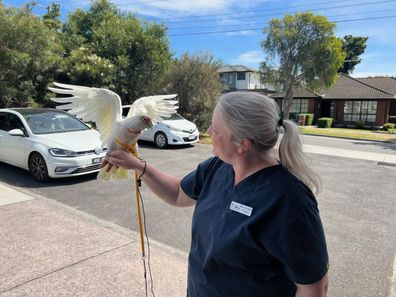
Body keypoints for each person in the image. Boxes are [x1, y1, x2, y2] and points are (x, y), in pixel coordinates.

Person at [103, 91, 329, 297]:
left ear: (243, 144)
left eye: (216, 129)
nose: (209, 132)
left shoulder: (289, 200)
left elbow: (313, 287)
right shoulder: (218, 167)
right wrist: (138, 166)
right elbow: (179, 193)